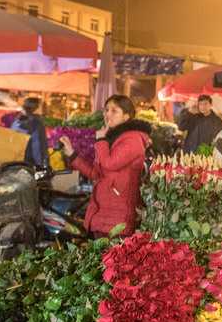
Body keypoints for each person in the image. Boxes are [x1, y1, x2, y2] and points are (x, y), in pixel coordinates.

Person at [59, 94, 150, 236]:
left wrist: (101, 140)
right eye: (106, 110)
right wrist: (72, 154)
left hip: (118, 217)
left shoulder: (133, 139)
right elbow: (96, 173)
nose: (108, 114)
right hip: (103, 212)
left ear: (126, 116)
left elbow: (109, 164)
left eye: (114, 111)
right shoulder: (112, 138)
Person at [11, 97, 50, 169]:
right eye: (42, 106)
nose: (45, 109)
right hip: (30, 165)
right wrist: (42, 166)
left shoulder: (16, 121)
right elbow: (38, 147)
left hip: (15, 163)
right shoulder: (36, 123)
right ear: (36, 108)